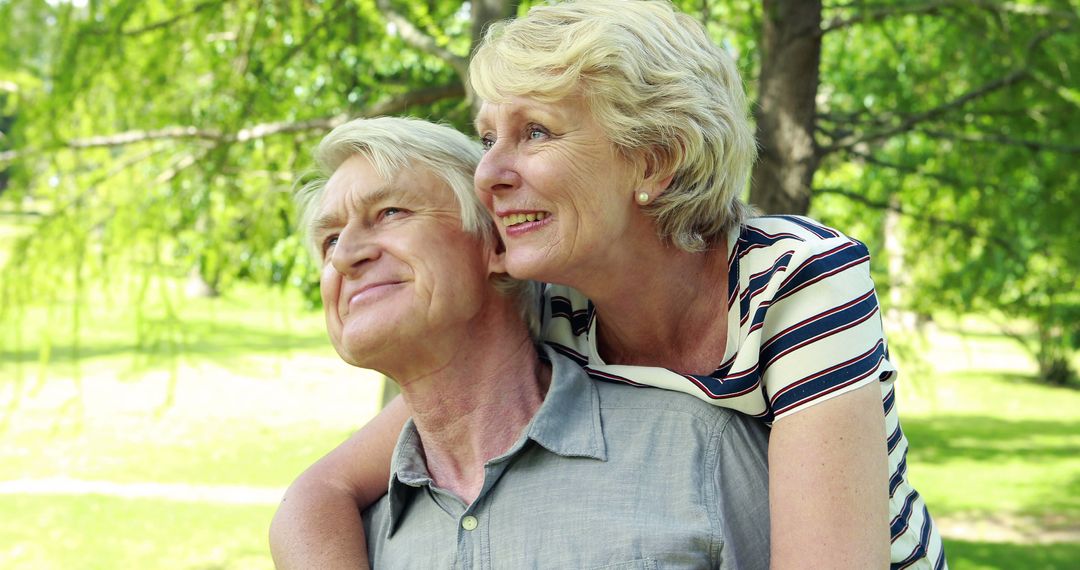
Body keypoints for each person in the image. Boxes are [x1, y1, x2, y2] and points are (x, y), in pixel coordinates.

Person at [270, 1, 946, 569]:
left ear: (653, 161)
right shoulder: (553, 303)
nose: (488, 173)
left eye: (534, 132)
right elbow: (321, 489)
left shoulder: (795, 282)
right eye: (486, 138)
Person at [275, 115, 772, 568]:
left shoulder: (700, 454)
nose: (346, 257)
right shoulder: (353, 539)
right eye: (330, 240)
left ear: (496, 242)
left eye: (390, 212)